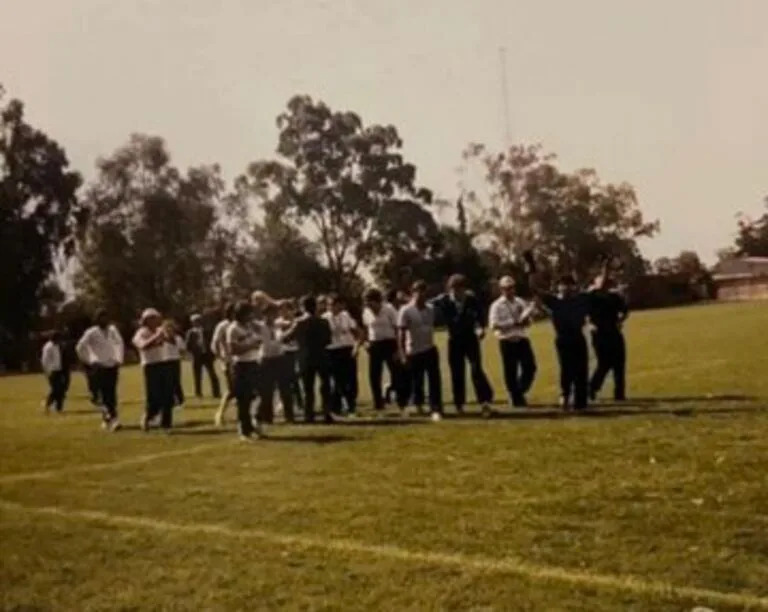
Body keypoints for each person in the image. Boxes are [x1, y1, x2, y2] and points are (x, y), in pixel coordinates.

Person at [430, 274, 493, 414]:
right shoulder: (443, 300)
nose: (457, 293)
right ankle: (459, 403)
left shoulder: (471, 300)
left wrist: (481, 328)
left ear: (464, 289)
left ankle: (484, 401)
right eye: (454, 290)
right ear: (450, 289)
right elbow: (426, 304)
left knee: (476, 369)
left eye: (460, 290)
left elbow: (480, 317)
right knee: (457, 372)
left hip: (470, 339)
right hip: (454, 340)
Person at [531, 271, 592, 411]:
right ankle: (565, 395)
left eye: (570, 285)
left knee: (582, 370)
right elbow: (535, 289)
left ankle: (580, 401)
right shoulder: (555, 302)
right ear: (558, 287)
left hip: (578, 337)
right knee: (567, 369)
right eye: (564, 285)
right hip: (563, 339)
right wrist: (532, 269)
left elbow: (598, 288)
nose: (567, 288)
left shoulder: (581, 300)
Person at [281, 295, 333, 423]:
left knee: (308, 388)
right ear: (315, 306)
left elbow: (286, 338)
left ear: (302, 307)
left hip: (305, 357)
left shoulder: (299, 322)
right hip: (322, 356)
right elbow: (328, 340)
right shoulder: (324, 322)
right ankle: (327, 412)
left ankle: (309, 414)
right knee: (325, 385)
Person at [488, 276, 537, 409]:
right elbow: (494, 325)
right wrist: (513, 323)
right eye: (506, 288)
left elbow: (528, 322)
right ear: (501, 289)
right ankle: (515, 397)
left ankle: (518, 392)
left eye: (512, 288)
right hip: (506, 339)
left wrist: (528, 319)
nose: (510, 291)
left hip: (521, 337)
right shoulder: (496, 306)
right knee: (511, 371)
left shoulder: (520, 302)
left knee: (530, 367)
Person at [397, 280, 443, 421]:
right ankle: (417, 404)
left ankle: (435, 407)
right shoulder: (405, 310)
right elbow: (401, 333)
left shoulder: (430, 309)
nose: (421, 294)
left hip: (429, 348)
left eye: (423, 291)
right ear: (413, 293)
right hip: (413, 350)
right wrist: (402, 353)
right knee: (417, 381)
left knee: (434, 380)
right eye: (418, 291)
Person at [76, 309, 124, 430]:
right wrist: (90, 360)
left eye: (106, 317)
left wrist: (118, 359)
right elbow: (80, 347)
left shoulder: (113, 330)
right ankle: (112, 419)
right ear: (97, 319)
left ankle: (110, 419)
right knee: (101, 394)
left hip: (112, 365)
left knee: (111, 393)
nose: (105, 320)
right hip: (99, 366)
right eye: (102, 318)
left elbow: (120, 343)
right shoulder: (91, 332)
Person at [226, 301, 264, 440]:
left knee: (258, 395)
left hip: (254, 363)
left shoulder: (249, 326)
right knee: (244, 399)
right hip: (241, 366)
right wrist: (251, 345)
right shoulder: (233, 329)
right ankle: (243, 429)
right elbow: (233, 349)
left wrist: (257, 343)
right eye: (248, 313)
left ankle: (252, 424)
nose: (251, 315)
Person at [588, 271, 629, 401]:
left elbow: (624, 311)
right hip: (599, 334)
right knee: (604, 363)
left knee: (619, 364)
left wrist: (621, 319)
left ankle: (619, 394)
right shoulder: (592, 297)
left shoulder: (614, 297)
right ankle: (592, 388)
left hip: (614, 333)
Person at [133, 308, 175, 432]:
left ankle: (166, 424)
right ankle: (148, 416)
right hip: (150, 365)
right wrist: (157, 336)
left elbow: (171, 342)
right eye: (153, 318)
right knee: (154, 395)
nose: (156, 321)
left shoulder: (159, 330)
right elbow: (142, 346)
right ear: (146, 320)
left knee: (168, 394)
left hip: (163, 363)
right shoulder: (141, 332)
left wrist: (168, 334)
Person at [362, 288, 403, 413]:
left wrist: (398, 348)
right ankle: (378, 402)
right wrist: (366, 343)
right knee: (374, 375)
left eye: (371, 303)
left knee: (396, 372)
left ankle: (400, 399)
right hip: (375, 344)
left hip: (390, 343)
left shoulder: (389, 310)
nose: (369, 306)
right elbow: (365, 329)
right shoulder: (366, 312)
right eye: (367, 303)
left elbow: (397, 329)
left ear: (378, 301)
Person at [323, 294, 359, 417]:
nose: (332, 307)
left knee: (350, 378)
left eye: (334, 304)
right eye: (329, 305)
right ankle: (336, 406)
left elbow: (357, 331)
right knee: (338, 380)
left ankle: (351, 404)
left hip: (347, 348)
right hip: (333, 350)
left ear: (340, 305)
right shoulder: (325, 318)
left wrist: (356, 346)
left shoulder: (346, 316)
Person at [258, 302, 295, 423]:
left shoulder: (277, 325)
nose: (273, 316)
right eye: (270, 314)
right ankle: (267, 417)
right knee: (267, 390)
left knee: (285, 389)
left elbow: (292, 322)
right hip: (267, 359)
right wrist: (285, 335)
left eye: (274, 313)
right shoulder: (261, 327)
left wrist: (291, 326)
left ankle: (289, 416)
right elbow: (271, 344)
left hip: (279, 358)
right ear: (264, 315)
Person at [275, 299, 303, 416]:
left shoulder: (297, 321)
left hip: (296, 352)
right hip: (283, 352)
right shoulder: (278, 322)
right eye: (281, 310)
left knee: (295, 379)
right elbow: (279, 334)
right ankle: (284, 403)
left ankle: (299, 403)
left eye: (286, 309)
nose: (283, 312)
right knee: (285, 380)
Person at [185, 313, 221, 399]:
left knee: (212, 374)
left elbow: (212, 342)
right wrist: (193, 351)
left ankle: (216, 392)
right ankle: (198, 393)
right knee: (197, 375)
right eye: (194, 321)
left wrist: (213, 353)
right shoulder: (190, 333)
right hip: (197, 356)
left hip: (207, 356)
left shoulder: (207, 331)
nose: (196, 323)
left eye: (198, 321)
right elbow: (188, 345)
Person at [211, 303, 236, 426]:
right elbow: (215, 343)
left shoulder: (239, 324)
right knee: (231, 390)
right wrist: (221, 358)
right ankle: (220, 414)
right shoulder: (222, 325)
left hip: (239, 360)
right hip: (228, 361)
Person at [41, 330, 67, 414]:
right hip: (52, 371)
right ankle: (47, 404)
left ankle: (59, 408)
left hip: (59, 370)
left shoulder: (57, 346)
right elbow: (45, 360)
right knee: (56, 389)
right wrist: (48, 372)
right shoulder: (48, 347)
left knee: (61, 390)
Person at [162, 319, 186, 409]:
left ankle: (180, 400)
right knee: (167, 383)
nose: (168, 329)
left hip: (175, 361)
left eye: (170, 327)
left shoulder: (177, 338)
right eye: (166, 328)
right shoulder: (161, 339)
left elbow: (182, 349)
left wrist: (180, 354)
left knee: (176, 381)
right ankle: (171, 401)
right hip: (165, 361)